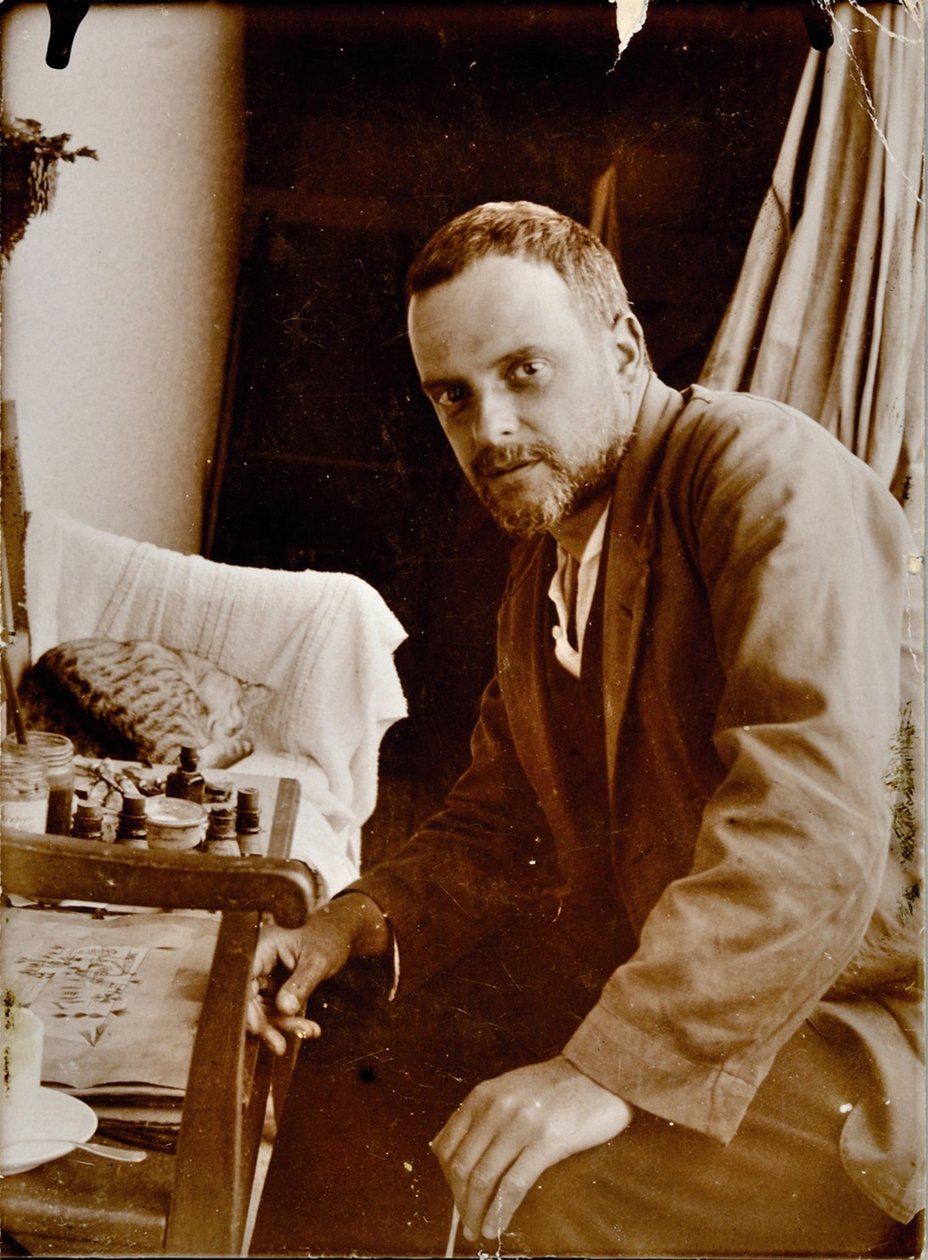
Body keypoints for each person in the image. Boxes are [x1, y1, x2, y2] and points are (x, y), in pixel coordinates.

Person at [248, 201, 923, 1258]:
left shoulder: (758, 474)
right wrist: (351, 922)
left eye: (525, 371)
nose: (490, 429)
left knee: (549, 1192)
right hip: (675, 984)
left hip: (851, 1023)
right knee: (334, 1059)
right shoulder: (546, 573)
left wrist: (604, 1069)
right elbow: (497, 819)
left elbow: (809, 824)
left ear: (622, 349)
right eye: (453, 396)